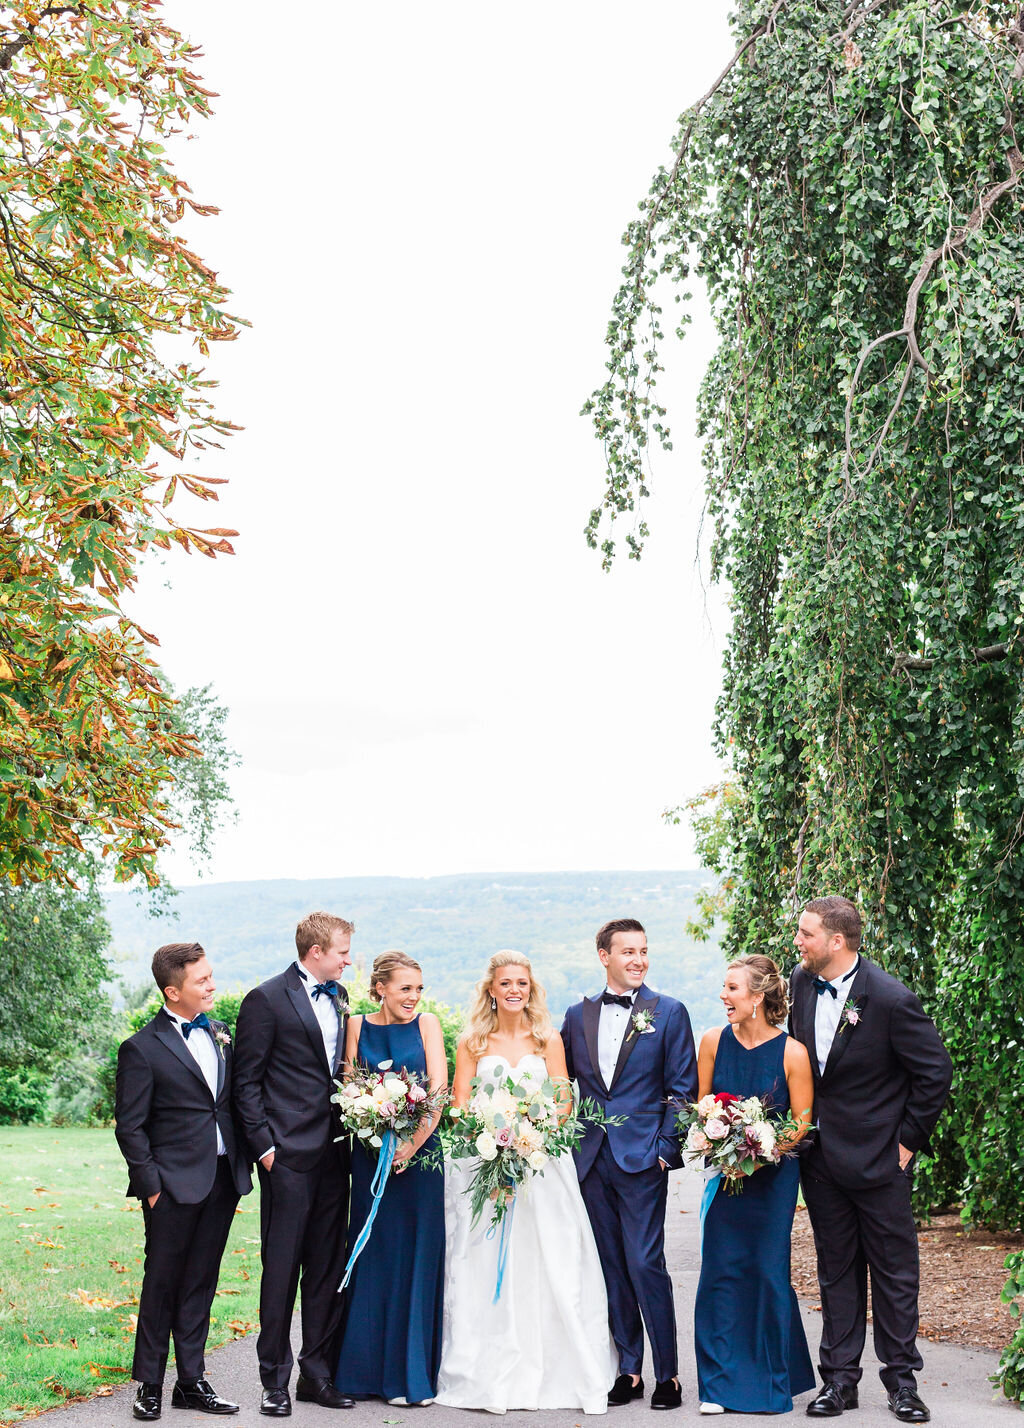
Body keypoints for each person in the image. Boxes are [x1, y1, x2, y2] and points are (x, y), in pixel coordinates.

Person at [790, 896, 953, 1424]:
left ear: (836, 941)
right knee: (835, 1272)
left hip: (883, 1162)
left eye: (806, 933)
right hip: (821, 1161)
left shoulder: (890, 998)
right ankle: (838, 1382)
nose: (799, 942)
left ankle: (902, 1382)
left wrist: (905, 1144)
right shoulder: (799, 982)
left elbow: (935, 1073)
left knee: (893, 1272)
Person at [436, 951, 617, 1415]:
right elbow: (458, 1108)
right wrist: (492, 1140)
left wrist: (530, 1138)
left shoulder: (547, 1039)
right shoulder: (472, 1043)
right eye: (506, 983)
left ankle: (556, 1369)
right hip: (485, 1167)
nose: (514, 989)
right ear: (491, 990)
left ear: (530, 989)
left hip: (541, 1166)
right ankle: (487, 1370)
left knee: (550, 1259)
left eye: (522, 982)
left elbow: (562, 1101)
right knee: (485, 1259)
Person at [561, 918, 698, 1412]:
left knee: (645, 1263)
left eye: (644, 951)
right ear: (604, 956)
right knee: (611, 1265)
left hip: (644, 1159)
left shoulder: (670, 1012)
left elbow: (682, 1090)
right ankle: (629, 1370)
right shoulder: (577, 1016)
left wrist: (666, 1150)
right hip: (592, 1158)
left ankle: (670, 1375)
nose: (639, 960)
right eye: (628, 952)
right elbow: (561, 1082)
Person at [115, 941, 252, 1422]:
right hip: (170, 1187)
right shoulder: (141, 1048)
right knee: (163, 1282)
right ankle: (150, 1384)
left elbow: (227, 1103)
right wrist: (152, 1186)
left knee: (201, 1282)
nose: (212, 985)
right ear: (173, 992)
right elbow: (130, 1126)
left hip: (220, 1179)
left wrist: (241, 1166)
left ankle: (190, 1381)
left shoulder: (221, 1034)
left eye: (211, 975)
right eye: (202, 980)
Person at [232, 912, 355, 1417]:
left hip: (335, 1152)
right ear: (317, 951)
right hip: (286, 1156)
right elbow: (246, 1081)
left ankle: (316, 1375)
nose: (350, 960)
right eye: (344, 951)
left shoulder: (341, 998)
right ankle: (273, 1380)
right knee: (281, 1270)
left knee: (325, 1269)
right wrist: (265, 1148)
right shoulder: (265, 999)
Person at [692, 955, 816, 1415]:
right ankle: (718, 1385)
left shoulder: (792, 1053)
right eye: (724, 988)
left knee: (766, 1272)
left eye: (732, 989)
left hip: (773, 1179)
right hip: (724, 1179)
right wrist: (717, 1141)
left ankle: (769, 1383)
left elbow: (802, 1120)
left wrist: (763, 1148)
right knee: (721, 1274)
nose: (723, 996)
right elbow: (702, 1106)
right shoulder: (711, 1042)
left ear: (757, 997)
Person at [333, 951, 447, 1405]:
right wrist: (371, 1122)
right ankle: (362, 1373)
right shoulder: (356, 1025)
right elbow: (347, 1086)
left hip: (418, 1159)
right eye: (405, 988)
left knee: (417, 1257)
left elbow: (437, 1091)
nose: (414, 997)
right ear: (380, 987)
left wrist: (411, 1145)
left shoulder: (428, 1024)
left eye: (419, 988)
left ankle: (411, 1377)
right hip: (369, 1156)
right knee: (373, 1255)